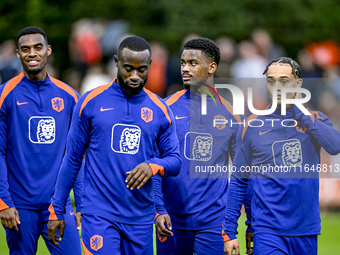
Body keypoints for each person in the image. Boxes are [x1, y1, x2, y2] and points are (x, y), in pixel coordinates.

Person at [47, 36, 181, 255]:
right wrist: (57, 210)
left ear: (150, 66)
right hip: (99, 214)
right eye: (128, 69)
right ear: (117, 62)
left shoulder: (160, 109)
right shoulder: (90, 102)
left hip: (140, 218)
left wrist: (152, 166)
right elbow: (71, 159)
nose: (135, 76)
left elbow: (175, 161)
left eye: (142, 70)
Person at [223, 57, 340, 255]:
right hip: (268, 230)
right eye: (271, 81)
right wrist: (230, 232)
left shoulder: (315, 120)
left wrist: (300, 111)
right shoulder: (251, 125)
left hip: (306, 231)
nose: (277, 87)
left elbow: (335, 146)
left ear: (299, 83)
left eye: (284, 81)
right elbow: (239, 181)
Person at [154, 37, 251, 255]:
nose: (185, 69)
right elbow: (155, 166)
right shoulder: (165, 109)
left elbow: (243, 176)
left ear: (211, 67)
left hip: (214, 224)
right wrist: (158, 210)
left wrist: (246, 226)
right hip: (170, 221)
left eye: (192, 63)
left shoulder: (232, 115)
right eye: (182, 63)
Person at [0, 26, 82, 255]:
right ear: (18, 54)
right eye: (25, 49)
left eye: (38, 47)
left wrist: (82, 204)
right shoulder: (5, 95)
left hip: (58, 205)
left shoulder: (69, 96)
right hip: (19, 206)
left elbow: (76, 155)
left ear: (48, 50)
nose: (32, 53)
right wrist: (3, 203)